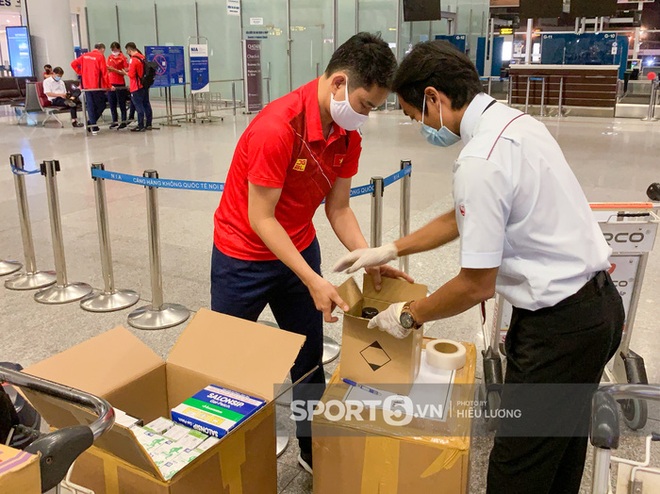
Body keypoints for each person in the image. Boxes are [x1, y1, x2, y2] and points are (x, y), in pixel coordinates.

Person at [334, 40, 624, 494]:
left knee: (517, 469)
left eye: (416, 116)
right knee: (561, 448)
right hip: (599, 309)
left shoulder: (480, 160)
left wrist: (409, 314)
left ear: (434, 97)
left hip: (560, 329)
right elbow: (461, 215)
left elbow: (474, 286)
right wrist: (389, 249)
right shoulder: (515, 124)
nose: (420, 127)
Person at [210, 32, 409, 473]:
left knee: (307, 362)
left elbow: (338, 207)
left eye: (374, 108)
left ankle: (312, 449)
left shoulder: (346, 133)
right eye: (365, 104)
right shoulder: (276, 127)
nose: (366, 116)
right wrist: (313, 279)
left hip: (297, 248)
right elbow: (261, 218)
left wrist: (369, 255)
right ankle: (224, 459)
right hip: (241, 256)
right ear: (338, 82)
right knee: (226, 363)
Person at [71, 43, 110, 135]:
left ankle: (93, 126)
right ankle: (92, 124)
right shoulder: (100, 57)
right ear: (102, 49)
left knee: (91, 106)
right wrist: (108, 85)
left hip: (86, 85)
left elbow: (73, 64)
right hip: (96, 85)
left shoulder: (84, 56)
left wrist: (81, 72)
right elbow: (104, 73)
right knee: (101, 105)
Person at [125, 42, 153, 132]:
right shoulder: (142, 57)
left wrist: (126, 72)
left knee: (138, 106)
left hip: (136, 86)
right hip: (144, 85)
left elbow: (132, 75)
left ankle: (140, 125)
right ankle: (148, 123)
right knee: (146, 104)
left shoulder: (133, 60)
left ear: (129, 50)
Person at [106, 42, 129, 129]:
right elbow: (107, 68)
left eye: (115, 49)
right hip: (111, 82)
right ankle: (114, 120)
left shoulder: (123, 58)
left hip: (120, 82)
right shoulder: (109, 57)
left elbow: (125, 70)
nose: (114, 51)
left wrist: (114, 70)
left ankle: (124, 121)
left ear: (119, 49)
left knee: (121, 103)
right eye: (112, 50)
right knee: (112, 103)